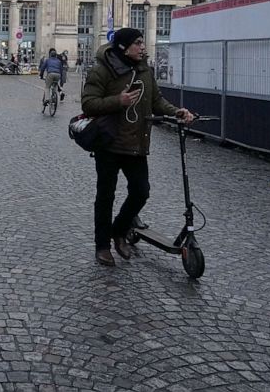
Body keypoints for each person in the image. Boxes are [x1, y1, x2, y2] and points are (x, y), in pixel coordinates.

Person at [81, 28, 194, 267]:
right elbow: (88, 104)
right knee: (105, 197)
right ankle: (102, 246)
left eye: (142, 42)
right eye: (137, 43)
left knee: (141, 192)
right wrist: (117, 101)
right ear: (123, 46)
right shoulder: (102, 70)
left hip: (136, 144)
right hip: (109, 143)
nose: (143, 47)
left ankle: (119, 230)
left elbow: (156, 101)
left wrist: (177, 112)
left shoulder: (145, 71)